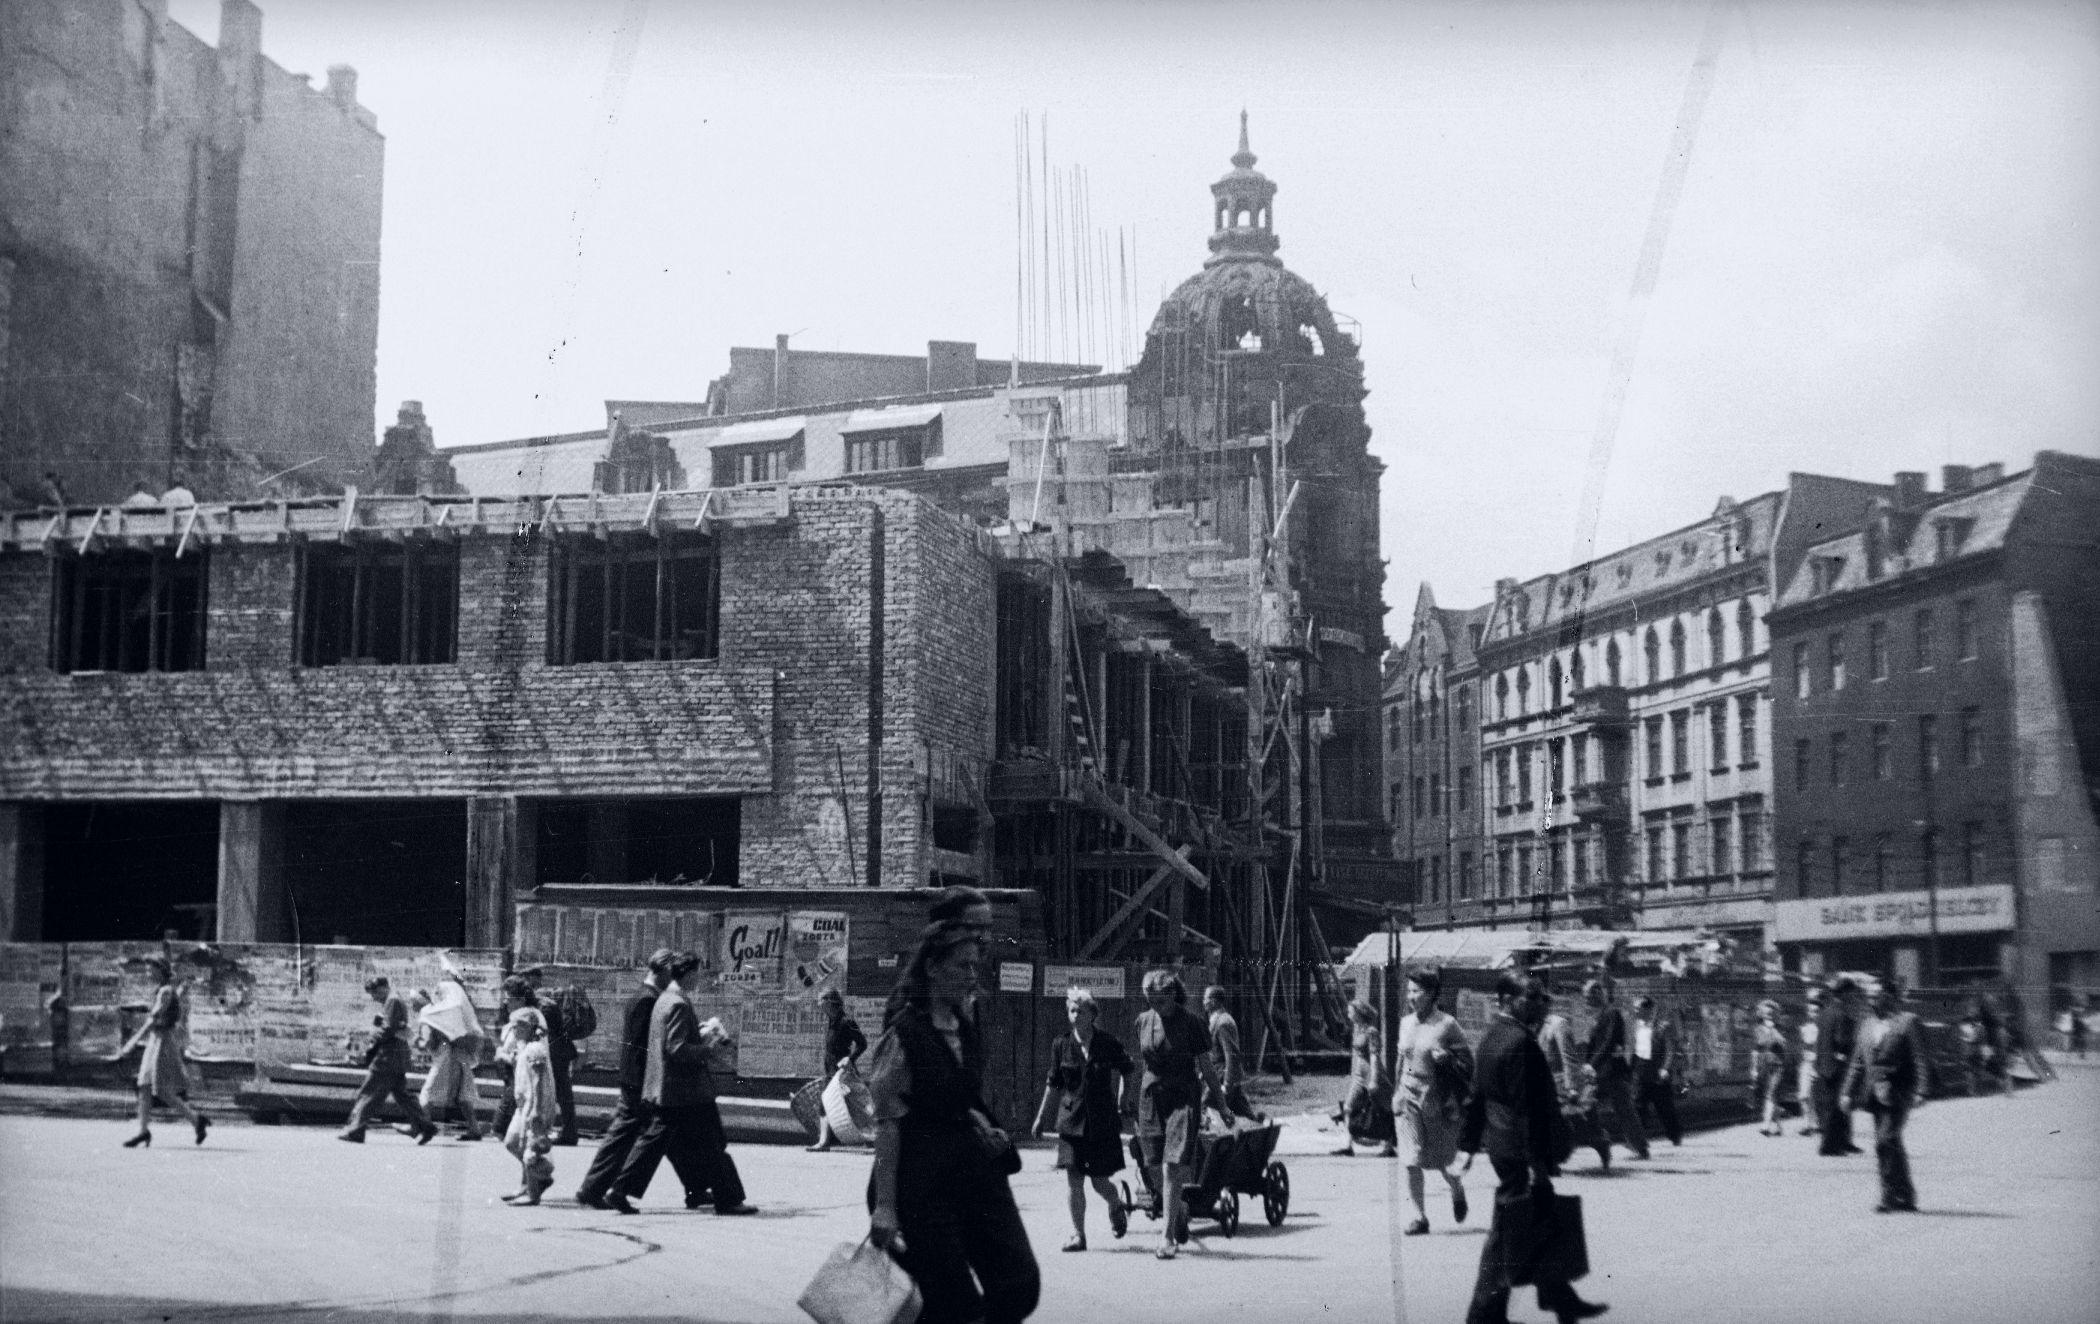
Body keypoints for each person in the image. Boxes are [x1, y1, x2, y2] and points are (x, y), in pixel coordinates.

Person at [867, 920, 1039, 1322]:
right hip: (919, 1185)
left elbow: (955, 1096)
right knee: (954, 1305)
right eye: (962, 967)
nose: (971, 976)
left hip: (970, 1172)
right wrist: (886, 1207)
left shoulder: (964, 1026)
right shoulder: (904, 1034)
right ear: (932, 967)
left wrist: (981, 1122)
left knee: (1019, 1283)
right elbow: (888, 1124)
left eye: (974, 968)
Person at [1458, 971, 1608, 1324]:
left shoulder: (1492, 1037)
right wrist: (1537, 1164)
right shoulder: (1520, 1043)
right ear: (1508, 1002)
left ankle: (1559, 1296)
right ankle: (1483, 1315)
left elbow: (1476, 1097)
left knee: (1541, 1219)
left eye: (1542, 997)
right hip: (1519, 1150)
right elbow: (1531, 1111)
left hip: (1504, 1147)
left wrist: (1467, 1145)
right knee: (1507, 1235)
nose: (1541, 1004)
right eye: (1531, 997)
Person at [609, 950, 756, 1217]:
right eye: (697, 973)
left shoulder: (664, 999)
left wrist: (696, 1033)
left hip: (669, 1089)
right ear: (687, 973)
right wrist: (709, 1047)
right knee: (713, 1143)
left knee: (654, 1142)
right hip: (688, 1090)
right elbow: (676, 1048)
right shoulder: (678, 1003)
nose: (699, 979)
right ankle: (729, 1199)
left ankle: (621, 1189)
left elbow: (669, 1041)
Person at [578, 950, 707, 1209]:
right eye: (672, 973)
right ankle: (594, 1189)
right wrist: (644, 1085)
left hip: (645, 1081)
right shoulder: (646, 1000)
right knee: (632, 1136)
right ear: (662, 971)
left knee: (668, 1135)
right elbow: (639, 1047)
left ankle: (696, 1189)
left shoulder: (648, 996)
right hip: (640, 1082)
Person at [1135, 969, 1233, 1259]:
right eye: (1150, 1000)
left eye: (1161, 1001)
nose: (1156, 1006)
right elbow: (1144, 1065)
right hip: (1152, 1098)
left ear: (1173, 995)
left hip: (1182, 1099)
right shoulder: (1142, 1021)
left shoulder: (1192, 1023)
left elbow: (1207, 1069)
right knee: (1152, 1164)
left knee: (1172, 1165)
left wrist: (1223, 1106)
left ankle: (1167, 1238)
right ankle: (1178, 1209)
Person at [1031, 986, 1135, 1252]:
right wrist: (1041, 1118)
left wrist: (1124, 1098)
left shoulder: (1107, 1043)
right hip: (1071, 1122)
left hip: (1101, 1122)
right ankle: (1079, 1234)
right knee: (1074, 1179)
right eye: (1071, 1010)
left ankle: (1115, 1205)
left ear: (1092, 1014)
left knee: (1100, 1181)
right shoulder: (1061, 1044)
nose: (1075, 1015)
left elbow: (1127, 1069)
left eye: (1080, 1010)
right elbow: (1053, 1083)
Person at [1392, 969, 1473, 1235]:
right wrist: (1395, 1092)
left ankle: (1456, 1188)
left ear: (1432, 994)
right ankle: (1419, 1217)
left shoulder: (1447, 1025)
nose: (1411, 996)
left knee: (1441, 1160)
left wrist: (1447, 1057)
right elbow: (1401, 1061)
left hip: (1436, 1098)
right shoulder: (1405, 1023)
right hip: (1407, 1096)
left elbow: (1467, 1062)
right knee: (1410, 1158)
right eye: (1409, 991)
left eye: (1417, 991)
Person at [1840, 980, 1930, 1213]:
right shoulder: (1866, 1025)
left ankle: (1888, 1197)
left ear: (1888, 996)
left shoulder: (1907, 1023)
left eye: (1875, 995)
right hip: (1874, 1093)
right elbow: (1857, 1063)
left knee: (1885, 1141)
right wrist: (1846, 1092)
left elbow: (1919, 1058)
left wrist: (1921, 1089)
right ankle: (1906, 1195)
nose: (1870, 1000)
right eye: (1867, 996)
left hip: (1900, 1090)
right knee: (1892, 1142)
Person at [117, 958, 209, 1148]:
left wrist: (133, 1042)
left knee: (162, 1090)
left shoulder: (166, 992)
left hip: (164, 1043)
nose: (149, 972)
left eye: (152, 969)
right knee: (143, 1085)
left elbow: (153, 1020)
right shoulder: (162, 991)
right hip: (155, 1041)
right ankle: (143, 1132)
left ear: (161, 970)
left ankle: (196, 1119)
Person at [339, 975, 437, 1144]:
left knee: (370, 1092)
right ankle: (426, 1126)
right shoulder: (392, 1001)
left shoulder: (392, 1000)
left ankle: (356, 1130)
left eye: (375, 993)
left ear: (384, 987)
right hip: (396, 1056)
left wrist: (371, 1043)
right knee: (402, 1095)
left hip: (388, 1057)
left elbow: (388, 1029)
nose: (374, 997)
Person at [494, 974, 579, 1145]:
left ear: (520, 998)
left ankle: (502, 1127)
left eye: (509, 999)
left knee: (546, 1093)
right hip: (554, 1055)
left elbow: (526, 1047)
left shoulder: (530, 1015)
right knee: (562, 1094)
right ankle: (568, 1132)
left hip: (547, 1058)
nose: (505, 1003)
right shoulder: (535, 1010)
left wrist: (505, 1054)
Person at [1540, 994, 1608, 1171]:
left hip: (1561, 1082)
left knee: (1580, 1126)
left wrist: (1572, 1087)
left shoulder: (1557, 1024)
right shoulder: (1531, 1026)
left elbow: (1568, 1057)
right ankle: (1552, 1160)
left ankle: (1601, 1144)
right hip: (1544, 1084)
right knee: (1549, 1123)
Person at [417, 965, 485, 1141]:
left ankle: (423, 1126)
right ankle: (474, 1129)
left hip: (448, 1058)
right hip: (462, 1057)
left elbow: (431, 1041)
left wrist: (421, 1040)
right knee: (463, 1097)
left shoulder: (436, 1014)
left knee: (426, 1093)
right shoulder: (464, 1010)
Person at [1582, 979, 1648, 1161]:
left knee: (1623, 1109)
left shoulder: (1612, 1014)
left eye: (1589, 996)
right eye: (1585, 997)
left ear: (1598, 993)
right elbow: (1594, 1045)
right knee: (1592, 1105)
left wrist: (1591, 1064)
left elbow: (1608, 1042)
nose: (1587, 1000)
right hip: (1601, 1072)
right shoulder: (1598, 1016)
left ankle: (1640, 1147)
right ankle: (1606, 1140)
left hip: (1612, 1071)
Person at [500, 1007, 559, 1204]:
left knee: (530, 1148)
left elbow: (539, 1082)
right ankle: (532, 1181)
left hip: (535, 1105)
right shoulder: (524, 1047)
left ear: (529, 1028)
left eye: (519, 1026)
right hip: (523, 1104)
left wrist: (536, 1110)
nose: (515, 1030)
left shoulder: (535, 1048)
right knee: (512, 1142)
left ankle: (534, 1190)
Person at [1332, 999, 1396, 1157]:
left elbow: (1374, 1056)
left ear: (1359, 1013)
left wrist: (1374, 1079)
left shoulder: (1372, 1032)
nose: (1348, 1014)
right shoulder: (1359, 1030)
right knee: (1348, 1108)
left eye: (1350, 1011)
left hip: (1372, 1074)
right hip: (1359, 1075)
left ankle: (1389, 1146)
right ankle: (1349, 1145)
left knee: (1384, 1109)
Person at [809, 988, 870, 1152]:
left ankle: (868, 1136)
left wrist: (849, 1059)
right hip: (830, 1070)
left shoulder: (847, 1021)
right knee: (827, 1103)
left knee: (852, 1104)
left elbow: (863, 1044)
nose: (819, 1004)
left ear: (829, 1001)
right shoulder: (832, 1021)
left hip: (842, 1072)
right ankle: (825, 1141)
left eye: (821, 1000)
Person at [1813, 978, 1864, 1156]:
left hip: (1823, 1065)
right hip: (1837, 1066)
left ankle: (1842, 1142)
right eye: (1852, 992)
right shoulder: (1841, 1013)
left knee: (1833, 1106)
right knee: (1835, 1108)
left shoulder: (1824, 1013)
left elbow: (1820, 1041)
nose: (1854, 996)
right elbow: (1841, 1041)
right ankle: (1829, 1147)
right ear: (1844, 993)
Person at [1202, 985, 1262, 1122]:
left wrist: (1227, 1084)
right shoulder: (1217, 1019)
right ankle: (1261, 1132)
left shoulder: (1223, 1022)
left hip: (1222, 1076)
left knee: (1203, 1106)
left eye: (1206, 998)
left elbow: (1231, 1055)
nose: (1203, 1001)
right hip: (1221, 1073)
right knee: (1243, 1111)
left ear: (1214, 1001)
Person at [1628, 996, 1682, 1148]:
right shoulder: (1637, 1027)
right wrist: (1631, 1070)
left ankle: (1675, 1135)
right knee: (1638, 1107)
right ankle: (1638, 1141)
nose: (1635, 1011)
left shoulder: (1663, 1027)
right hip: (1641, 1073)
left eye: (1638, 1008)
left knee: (1665, 1108)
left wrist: (1665, 1068)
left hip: (1658, 1074)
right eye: (1635, 1008)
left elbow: (1670, 1050)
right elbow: (1636, 1050)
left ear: (1647, 1010)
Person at [1752, 1000, 1790, 1136]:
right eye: (1766, 1013)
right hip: (1763, 1066)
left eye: (1772, 1013)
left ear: (1776, 1014)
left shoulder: (1780, 1028)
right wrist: (1754, 1069)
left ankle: (1766, 1126)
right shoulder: (1757, 1029)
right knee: (1770, 1097)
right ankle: (1779, 1126)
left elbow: (1783, 1044)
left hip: (1777, 1065)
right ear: (1761, 1014)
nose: (1769, 1016)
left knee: (1771, 1094)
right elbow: (1755, 1050)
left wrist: (1773, 1029)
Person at [1795, 988, 1824, 1136]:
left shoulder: (1823, 1029)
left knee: (1817, 1096)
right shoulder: (1805, 1028)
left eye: (1816, 1011)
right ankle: (1807, 1123)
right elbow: (1802, 1047)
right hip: (1806, 1064)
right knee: (1804, 1095)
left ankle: (1816, 1124)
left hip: (1819, 1064)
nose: (1814, 1014)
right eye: (1811, 1011)